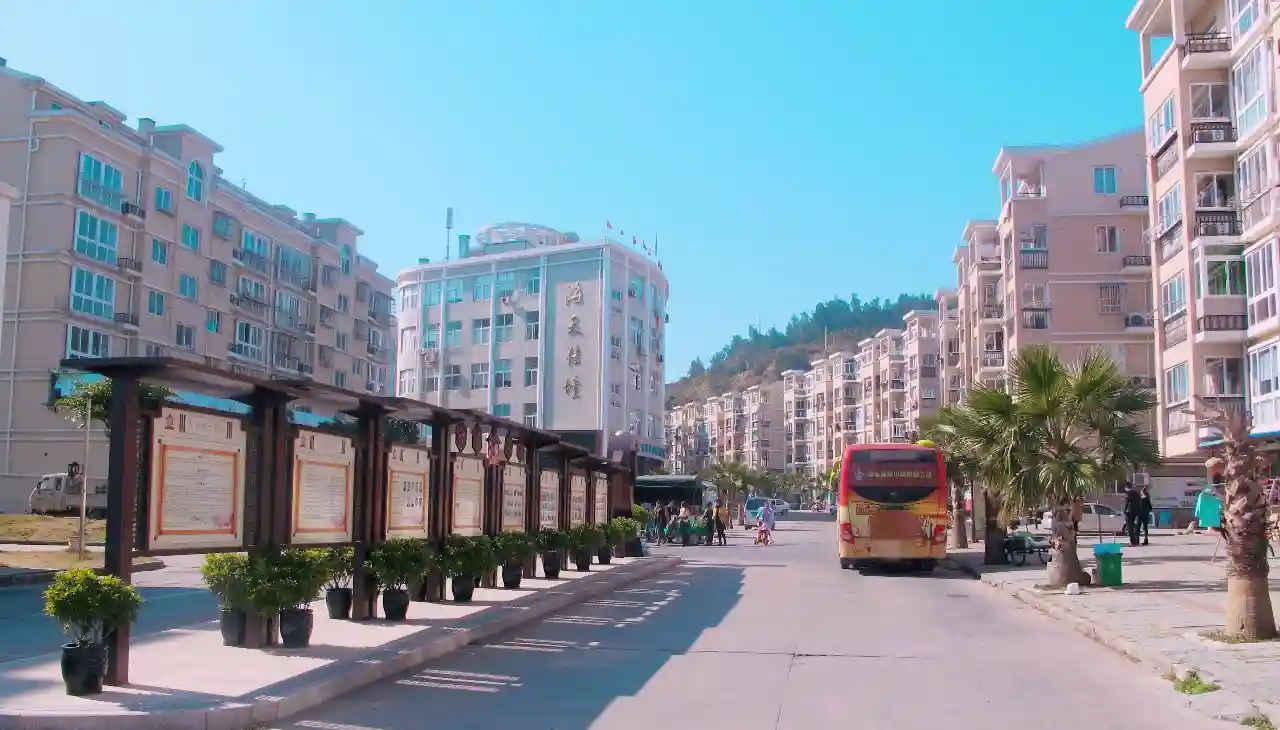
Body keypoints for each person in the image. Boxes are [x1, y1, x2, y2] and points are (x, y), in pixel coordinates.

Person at [1122, 482, 1142, 547]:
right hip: (1137, 511)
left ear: (1126, 487)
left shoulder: (1128, 493)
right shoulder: (1137, 493)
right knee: (1135, 526)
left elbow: (1127, 503)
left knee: (1130, 527)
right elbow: (1140, 501)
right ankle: (1137, 541)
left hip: (1129, 512)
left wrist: (1124, 510)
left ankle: (1132, 542)